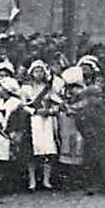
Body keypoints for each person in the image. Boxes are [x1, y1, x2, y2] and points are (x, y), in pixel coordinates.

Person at [20, 60, 59, 191]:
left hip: (46, 121)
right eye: (36, 71)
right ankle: (32, 181)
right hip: (32, 120)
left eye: (41, 71)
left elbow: (57, 103)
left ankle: (46, 180)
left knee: (48, 151)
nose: (39, 74)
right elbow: (23, 105)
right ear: (31, 73)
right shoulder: (26, 88)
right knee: (32, 152)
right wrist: (35, 111)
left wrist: (50, 111)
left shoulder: (48, 88)